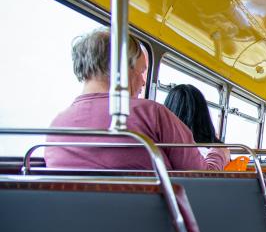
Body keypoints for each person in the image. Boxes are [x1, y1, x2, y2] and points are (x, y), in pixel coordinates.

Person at [45, 27, 229, 170]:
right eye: (141, 71)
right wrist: (219, 153)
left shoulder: (57, 126)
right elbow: (202, 177)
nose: (143, 82)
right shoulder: (152, 114)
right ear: (122, 69)